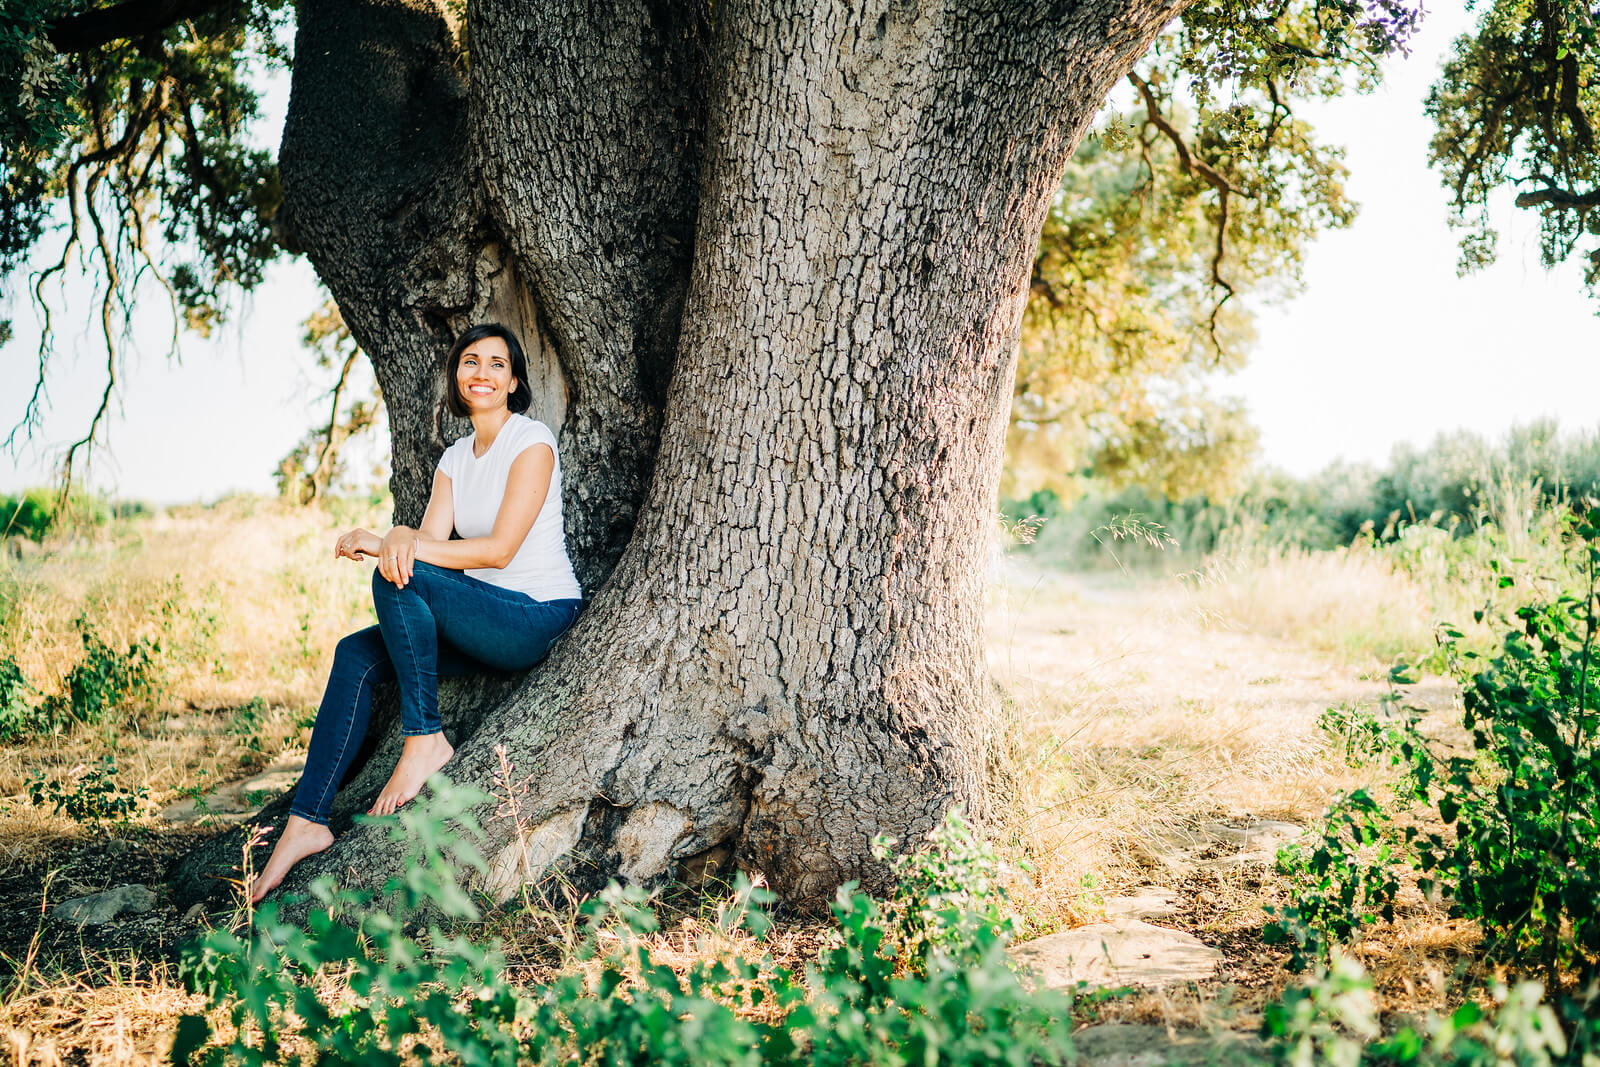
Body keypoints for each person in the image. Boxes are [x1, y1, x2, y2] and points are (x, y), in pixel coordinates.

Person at [248, 323, 583, 902]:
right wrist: (397, 543)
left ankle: (425, 739)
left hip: (534, 616)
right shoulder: (454, 459)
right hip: (483, 617)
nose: (482, 373)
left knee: (399, 563)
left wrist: (389, 540)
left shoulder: (531, 443)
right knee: (357, 648)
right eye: (470, 361)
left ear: (515, 381)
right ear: (457, 377)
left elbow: (498, 550)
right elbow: (422, 555)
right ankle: (308, 818)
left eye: (497, 364)